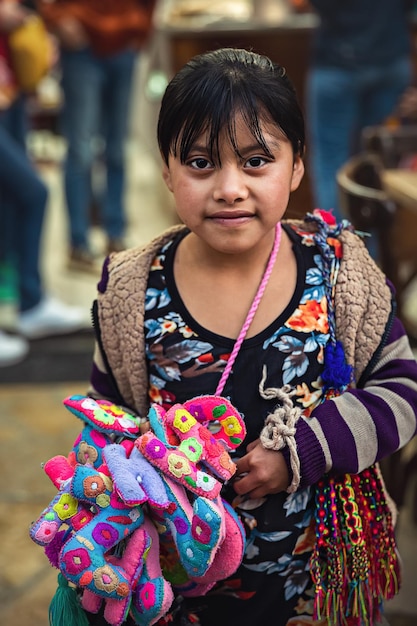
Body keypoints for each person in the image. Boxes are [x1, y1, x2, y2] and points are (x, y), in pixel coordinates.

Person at [50, 48, 417, 625]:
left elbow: (401, 390)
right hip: (174, 588)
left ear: (296, 166)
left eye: (255, 161)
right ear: (167, 170)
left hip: (312, 582)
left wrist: (304, 451)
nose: (228, 187)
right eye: (200, 162)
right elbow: (107, 413)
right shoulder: (131, 290)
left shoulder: (339, 274)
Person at [36, 0, 157, 271]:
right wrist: (57, 19)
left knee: (116, 149)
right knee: (80, 150)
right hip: (81, 46)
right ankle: (78, 243)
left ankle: (115, 232)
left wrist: (143, 27)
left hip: (124, 45)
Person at [0, 0, 88, 365]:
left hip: (9, 89)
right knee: (33, 191)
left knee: (11, 201)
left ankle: (30, 301)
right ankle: (30, 301)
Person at [302, 0, 414, 221]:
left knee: (332, 164)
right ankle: (373, 250)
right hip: (390, 58)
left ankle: (337, 245)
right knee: (378, 161)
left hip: (338, 61)